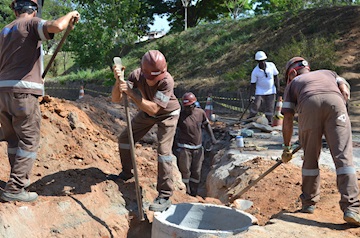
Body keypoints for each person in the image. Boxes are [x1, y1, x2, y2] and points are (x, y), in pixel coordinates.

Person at [0, 0, 80, 202]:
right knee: (28, 140)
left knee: (13, 139)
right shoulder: (31, 23)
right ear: (34, 9)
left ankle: (18, 179)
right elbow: (58, 26)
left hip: (3, 91)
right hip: (23, 93)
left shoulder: (5, 30)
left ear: (15, 9)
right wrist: (70, 14)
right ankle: (15, 188)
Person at [281, 56, 360, 226]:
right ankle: (352, 207)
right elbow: (343, 85)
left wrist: (286, 147)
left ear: (292, 72)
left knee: (310, 158)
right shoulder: (328, 73)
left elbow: (287, 117)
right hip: (336, 103)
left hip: (309, 105)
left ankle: (309, 203)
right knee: (344, 158)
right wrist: (342, 90)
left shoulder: (293, 83)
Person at [111, 50, 180, 212]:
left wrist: (132, 93)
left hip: (168, 114)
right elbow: (116, 98)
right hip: (147, 110)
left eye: (155, 78)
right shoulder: (136, 75)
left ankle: (164, 194)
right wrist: (118, 81)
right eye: (150, 78)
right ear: (142, 71)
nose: (152, 81)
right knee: (125, 139)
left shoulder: (167, 81)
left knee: (163, 151)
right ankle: (126, 173)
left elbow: (156, 109)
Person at [176, 92, 217, 196]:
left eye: (189, 107)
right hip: (184, 149)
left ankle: (194, 192)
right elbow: (173, 131)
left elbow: (206, 125)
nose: (187, 109)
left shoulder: (200, 113)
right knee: (185, 172)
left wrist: (212, 138)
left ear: (194, 105)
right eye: (185, 107)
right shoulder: (180, 115)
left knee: (197, 172)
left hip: (198, 149)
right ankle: (185, 193)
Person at [248, 51, 280, 124]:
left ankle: (269, 121)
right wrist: (252, 95)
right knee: (256, 105)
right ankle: (250, 119)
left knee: (270, 107)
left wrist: (277, 88)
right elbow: (253, 84)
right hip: (260, 91)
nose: (262, 63)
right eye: (260, 61)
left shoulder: (271, 65)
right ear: (257, 61)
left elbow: (276, 77)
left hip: (271, 90)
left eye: (263, 61)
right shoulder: (255, 72)